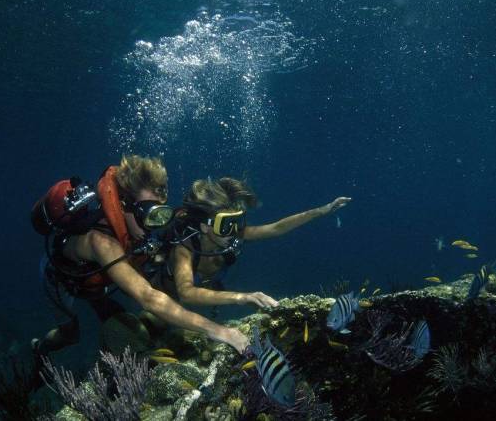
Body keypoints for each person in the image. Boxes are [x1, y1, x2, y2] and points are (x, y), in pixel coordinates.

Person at [30, 156, 249, 372]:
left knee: (114, 315)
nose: (154, 226)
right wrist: (220, 331)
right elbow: (148, 298)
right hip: (63, 281)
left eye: (160, 213)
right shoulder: (101, 242)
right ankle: (39, 348)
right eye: (149, 215)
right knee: (70, 335)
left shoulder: (134, 228)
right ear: (124, 206)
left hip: (100, 281)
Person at [151, 177, 351, 310]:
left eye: (235, 221)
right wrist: (242, 297)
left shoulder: (234, 234)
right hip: (165, 296)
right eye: (225, 225)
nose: (233, 231)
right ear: (205, 226)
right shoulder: (184, 249)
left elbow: (277, 228)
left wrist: (323, 210)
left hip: (210, 291)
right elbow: (186, 293)